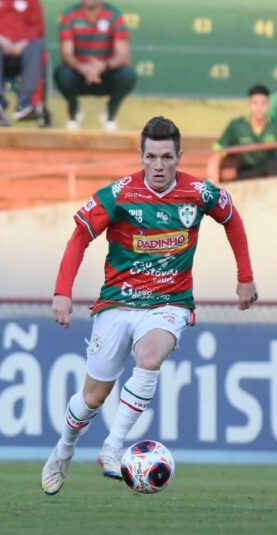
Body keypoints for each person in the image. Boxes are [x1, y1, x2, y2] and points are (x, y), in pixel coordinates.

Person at [41, 116, 258, 495]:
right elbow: (80, 237)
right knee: (93, 396)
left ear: (179, 157)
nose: (159, 166)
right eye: (151, 157)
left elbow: (233, 219)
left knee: (150, 357)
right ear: (141, 157)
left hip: (169, 303)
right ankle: (64, 450)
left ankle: (113, 447)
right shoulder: (119, 194)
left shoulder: (200, 193)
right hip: (117, 303)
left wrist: (245, 277)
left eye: (167, 157)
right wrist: (63, 291)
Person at [55, 0, 135, 132]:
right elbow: (66, 54)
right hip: (79, 74)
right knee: (62, 74)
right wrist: (84, 69)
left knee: (127, 74)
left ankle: (110, 114)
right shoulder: (70, 15)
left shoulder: (114, 15)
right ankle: (74, 111)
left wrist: (102, 66)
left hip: (106, 74)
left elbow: (123, 55)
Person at [208, 84, 277, 181]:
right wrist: (213, 174)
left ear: (269, 104)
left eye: (263, 103)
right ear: (248, 104)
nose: (259, 108)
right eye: (255, 103)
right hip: (245, 172)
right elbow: (219, 152)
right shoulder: (237, 126)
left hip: (272, 173)